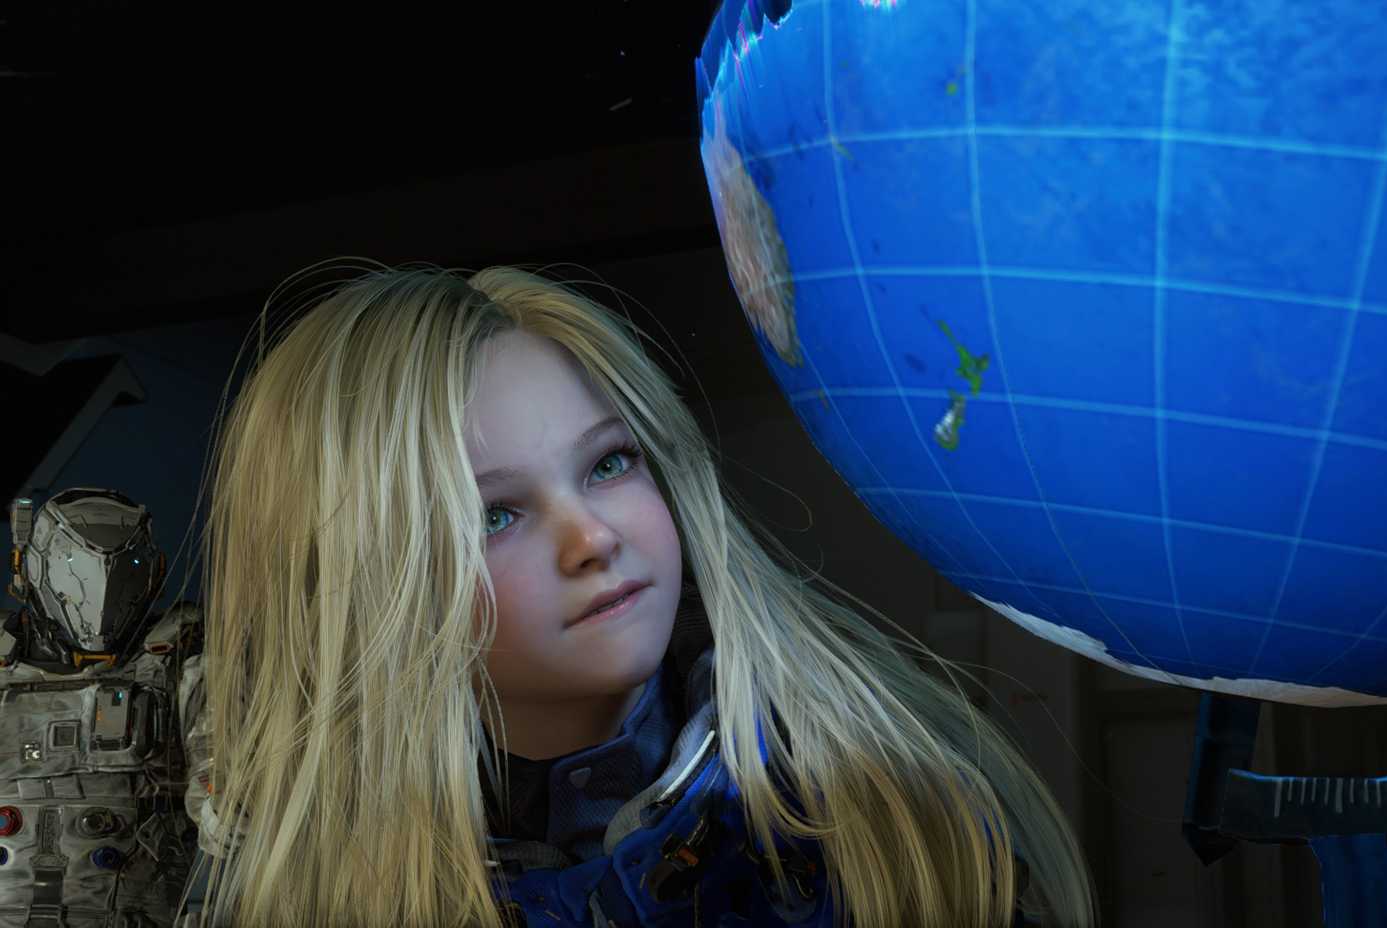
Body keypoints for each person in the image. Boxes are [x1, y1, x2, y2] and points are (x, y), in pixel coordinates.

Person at [181, 260, 1096, 927]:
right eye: (494, 516)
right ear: (364, 589)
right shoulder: (310, 891)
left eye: (609, 463)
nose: (592, 538)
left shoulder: (882, 810)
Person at [1, 488, 203, 926]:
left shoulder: (182, 663)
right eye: (73, 564)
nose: (99, 589)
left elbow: (228, 801)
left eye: (128, 567)